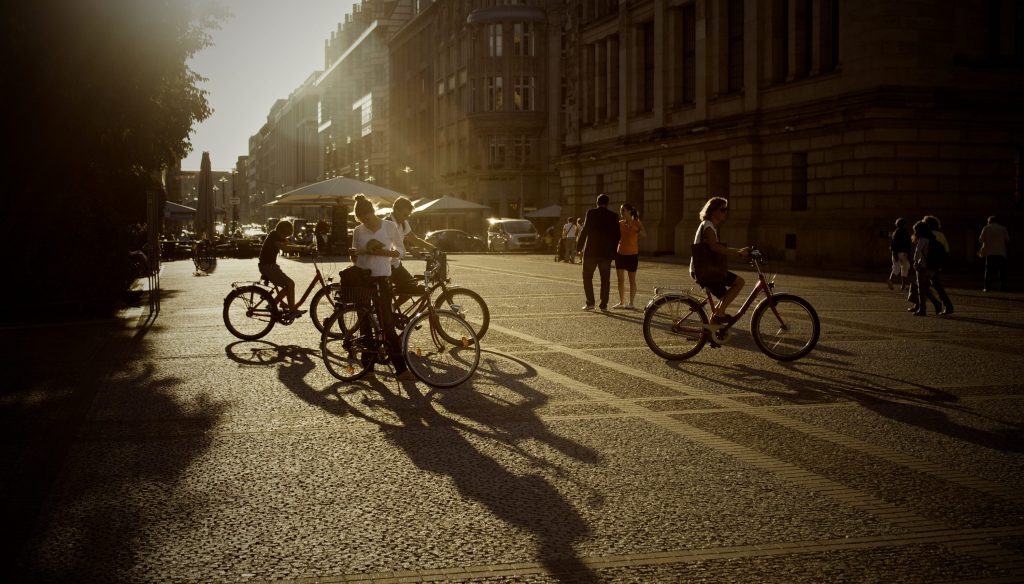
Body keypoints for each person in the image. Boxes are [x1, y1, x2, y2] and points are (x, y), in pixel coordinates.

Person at [350, 194, 415, 381]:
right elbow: (354, 257)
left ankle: (401, 370)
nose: (367, 223)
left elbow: (400, 251)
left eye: (368, 218)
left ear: (373, 212)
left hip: (381, 279)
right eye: (363, 220)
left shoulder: (389, 226)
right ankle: (367, 369)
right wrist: (353, 254)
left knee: (387, 323)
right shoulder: (358, 230)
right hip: (362, 279)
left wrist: (386, 253)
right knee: (365, 324)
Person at [689, 197, 750, 325]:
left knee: (725, 298)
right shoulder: (708, 226)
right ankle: (719, 315)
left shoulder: (708, 225)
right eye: (723, 209)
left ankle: (713, 325)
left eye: (726, 210)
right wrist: (738, 252)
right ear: (713, 210)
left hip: (705, 269)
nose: (725, 213)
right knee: (739, 282)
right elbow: (715, 247)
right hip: (705, 270)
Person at [576, 194, 621, 311]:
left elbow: (585, 230)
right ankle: (603, 305)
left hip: (591, 251)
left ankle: (590, 303)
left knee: (587, 277)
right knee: (605, 280)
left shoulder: (591, 213)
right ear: (608, 203)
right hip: (606, 253)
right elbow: (617, 235)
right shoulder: (613, 216)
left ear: (597, 202)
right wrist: (613, 251)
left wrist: (579, 247)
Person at [388, 196, 434, 295]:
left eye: (408, 215)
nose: (406, 218)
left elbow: (415, 239)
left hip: (396, 265)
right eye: (405, 215)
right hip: (385, 267)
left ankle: (393, 307)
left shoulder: (403, 223)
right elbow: (388, 245)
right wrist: (411, 250)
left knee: (412, 288)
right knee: (407, 289)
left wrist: (433, 248)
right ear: (396, 210)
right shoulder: (386, 224)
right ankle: (388, 308)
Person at [258, 220, 302, 319]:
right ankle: (292, 311)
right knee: (290, 284)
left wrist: (305, 247)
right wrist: (302, 249)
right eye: (285, 235)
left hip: (270, 266)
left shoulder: (276, 234)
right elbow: (285, 248)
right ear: (282, 232)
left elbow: (290, 244)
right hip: (268, 267)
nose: (285, 237)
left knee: (288, 285)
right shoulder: (274, 237)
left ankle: (272, 304)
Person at [613, 203, 645, 309]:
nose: (621, 212)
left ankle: (631, 303)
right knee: (620, 280)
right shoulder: (619, 223)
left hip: (632, 254)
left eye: (623, 210)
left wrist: (635, 228)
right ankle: (622, 302)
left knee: (632, 280)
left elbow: (644, 235)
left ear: (629, 212)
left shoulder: (637, 222)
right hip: (620, 254)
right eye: (621, 210)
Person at [923, 215, 953, 315]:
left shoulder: (926, 234)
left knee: (924, 286)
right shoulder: (941, 234)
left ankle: (938, 304)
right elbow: (947, 250)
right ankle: (946, 306)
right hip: (937, 263)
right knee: (935, 284)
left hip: (928, 263)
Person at [979, 215, 1010, 292]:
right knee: (1002, 271)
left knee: (988, 271)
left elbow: (981, 239)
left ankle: (986, 287)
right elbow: (1007, 240)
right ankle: (1003, 287)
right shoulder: (1003, 228)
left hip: (990, 253)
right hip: (1001, 252)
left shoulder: (986, 228)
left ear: (989, 221)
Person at [888, 217, 913, 291]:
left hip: (895, 253)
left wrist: (894, 253)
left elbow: (892, 244)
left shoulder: (895, 233)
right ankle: (903, 285)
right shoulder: (906, 232)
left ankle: (891, 279)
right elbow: (908, 244)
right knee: (905, 269)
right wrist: (909, 254)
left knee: (895, 268)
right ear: (904, 224)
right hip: (904, 253)